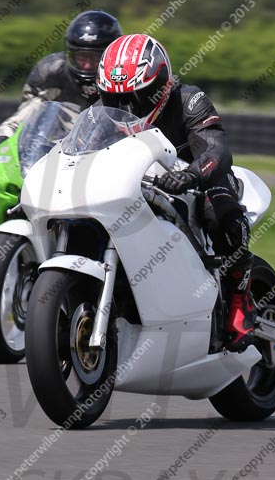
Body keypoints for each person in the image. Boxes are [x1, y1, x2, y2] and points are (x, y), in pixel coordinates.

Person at [96, 33, 256, 351]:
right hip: (131, 185)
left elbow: (217, 150)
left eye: (136, 97)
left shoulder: (189, 101)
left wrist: (189, 175)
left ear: (161, 86)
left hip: (192, 182)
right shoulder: (103, 114)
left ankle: (241, 297)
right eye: (115, 99)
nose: (125, 107)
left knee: (220, 210)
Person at [0, 10, 123, 153]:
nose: (87, 65)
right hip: (62, 149)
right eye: (82, 57)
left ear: (111, 55)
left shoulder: (125, 73)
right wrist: (5, 136)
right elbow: (30, 109)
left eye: (95, 58)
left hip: (114, 150)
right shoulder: (50, 70)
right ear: (70, 52)